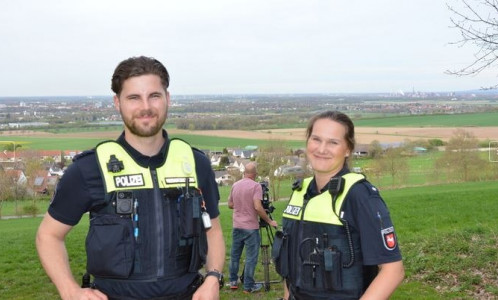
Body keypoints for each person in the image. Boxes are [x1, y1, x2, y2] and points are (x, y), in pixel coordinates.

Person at [36, 56, 225, 300]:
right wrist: (69, 290)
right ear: (117, 103)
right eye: (134, 97)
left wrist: (213, 279)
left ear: (167, 98)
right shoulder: (90, 169)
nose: (145, 107)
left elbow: (214, 230)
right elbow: (48, 235)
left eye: (154, 96)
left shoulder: (195, 164)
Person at [272, 111, 404, 300]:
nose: (322, 149)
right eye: (316, 139)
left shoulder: (360, 195)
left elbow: (393, 271)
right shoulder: (299, 193)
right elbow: (292, 273)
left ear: (348, 149)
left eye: (333, 142)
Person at [227, 162, 278, 293]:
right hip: (250, 227)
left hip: (237, 225)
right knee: (251, 258)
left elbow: (230, 204)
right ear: (254, 174)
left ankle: (233, 281)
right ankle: (248, 286)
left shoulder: (235, 185)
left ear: (244, 173)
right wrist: (269, 220)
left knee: (235, 255)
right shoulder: (256, 186)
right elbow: (257, 207)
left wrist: (242, 205)